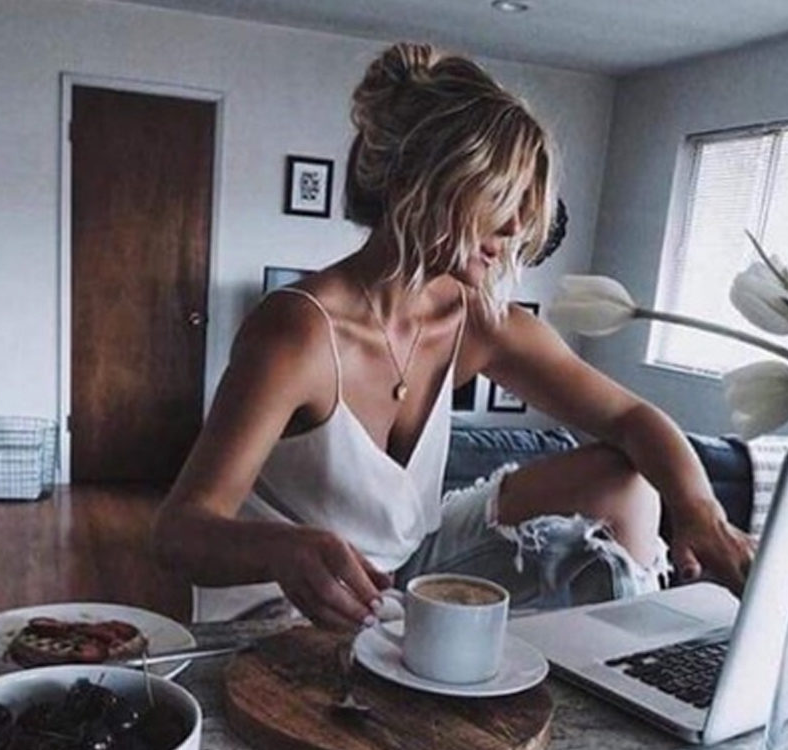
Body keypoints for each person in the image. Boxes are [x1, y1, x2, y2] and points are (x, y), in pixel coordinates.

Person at [153, 42, 754, 630]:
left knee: (624, 479)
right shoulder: (298, 331)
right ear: (426, 184)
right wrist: (282, 550)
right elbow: (180, 531)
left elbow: (631, 417)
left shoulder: (480, 322)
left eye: (525, 205)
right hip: (289, 602)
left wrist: (700, 513)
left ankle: (621, 664)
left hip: (411, 565)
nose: (516, 229)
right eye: (500, 199)